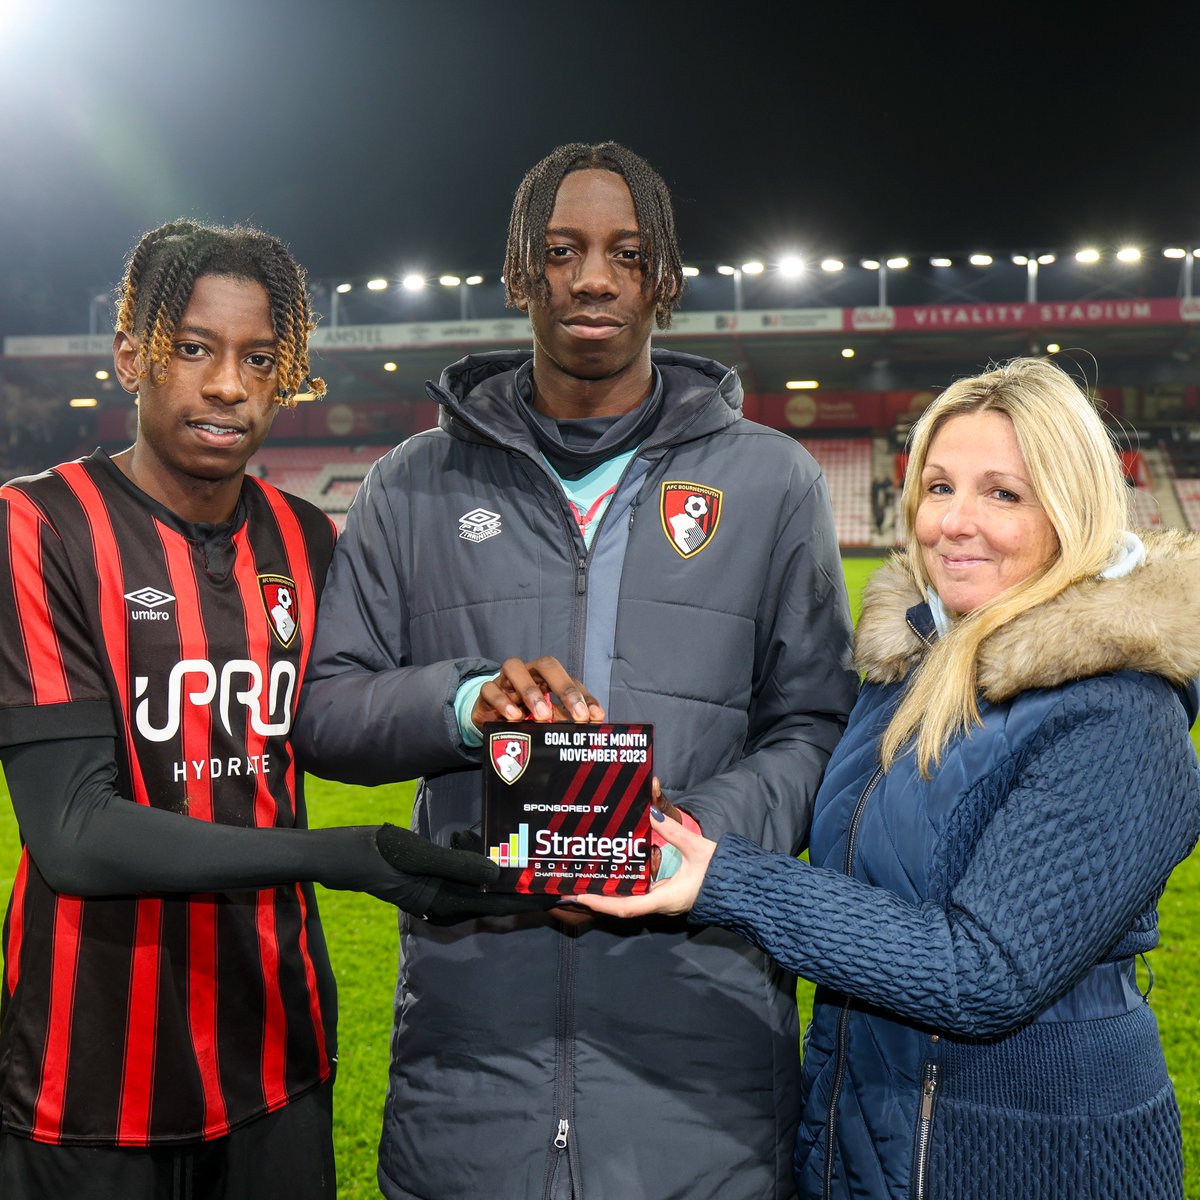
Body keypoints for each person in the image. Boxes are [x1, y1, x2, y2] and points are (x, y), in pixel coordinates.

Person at [293, 142, 857, 1200]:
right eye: (561, 251)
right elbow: (325, 709)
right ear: (519, 273)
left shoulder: (772, 480)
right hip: (473, 1056)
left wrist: (683, 840)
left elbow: (817, 725)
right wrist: (465, 703)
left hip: (699, 1057)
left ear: (664, 278)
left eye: (626, 254)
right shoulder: (411, 484)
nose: (593, 278)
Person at [578, 357, 1200, 1200]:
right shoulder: (908, 667)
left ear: (1072, 509)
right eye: (939, 487)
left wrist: (725, 879)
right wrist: (679, 828)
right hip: (866, 1136)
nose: (955, 521)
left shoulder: (1120, 714)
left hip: (1034, 1159)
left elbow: (984, 973)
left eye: (1003, 494)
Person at [0, 220, 522, 1200]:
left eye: (258, 358)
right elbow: (72, 832)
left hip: (279, 1055)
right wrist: (339, 855)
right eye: (194, 348)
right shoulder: (40, 525)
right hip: (94, 1073)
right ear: (131, 356)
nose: (227, 386)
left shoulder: (305, 539)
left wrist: (476, 705)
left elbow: (341, 723)